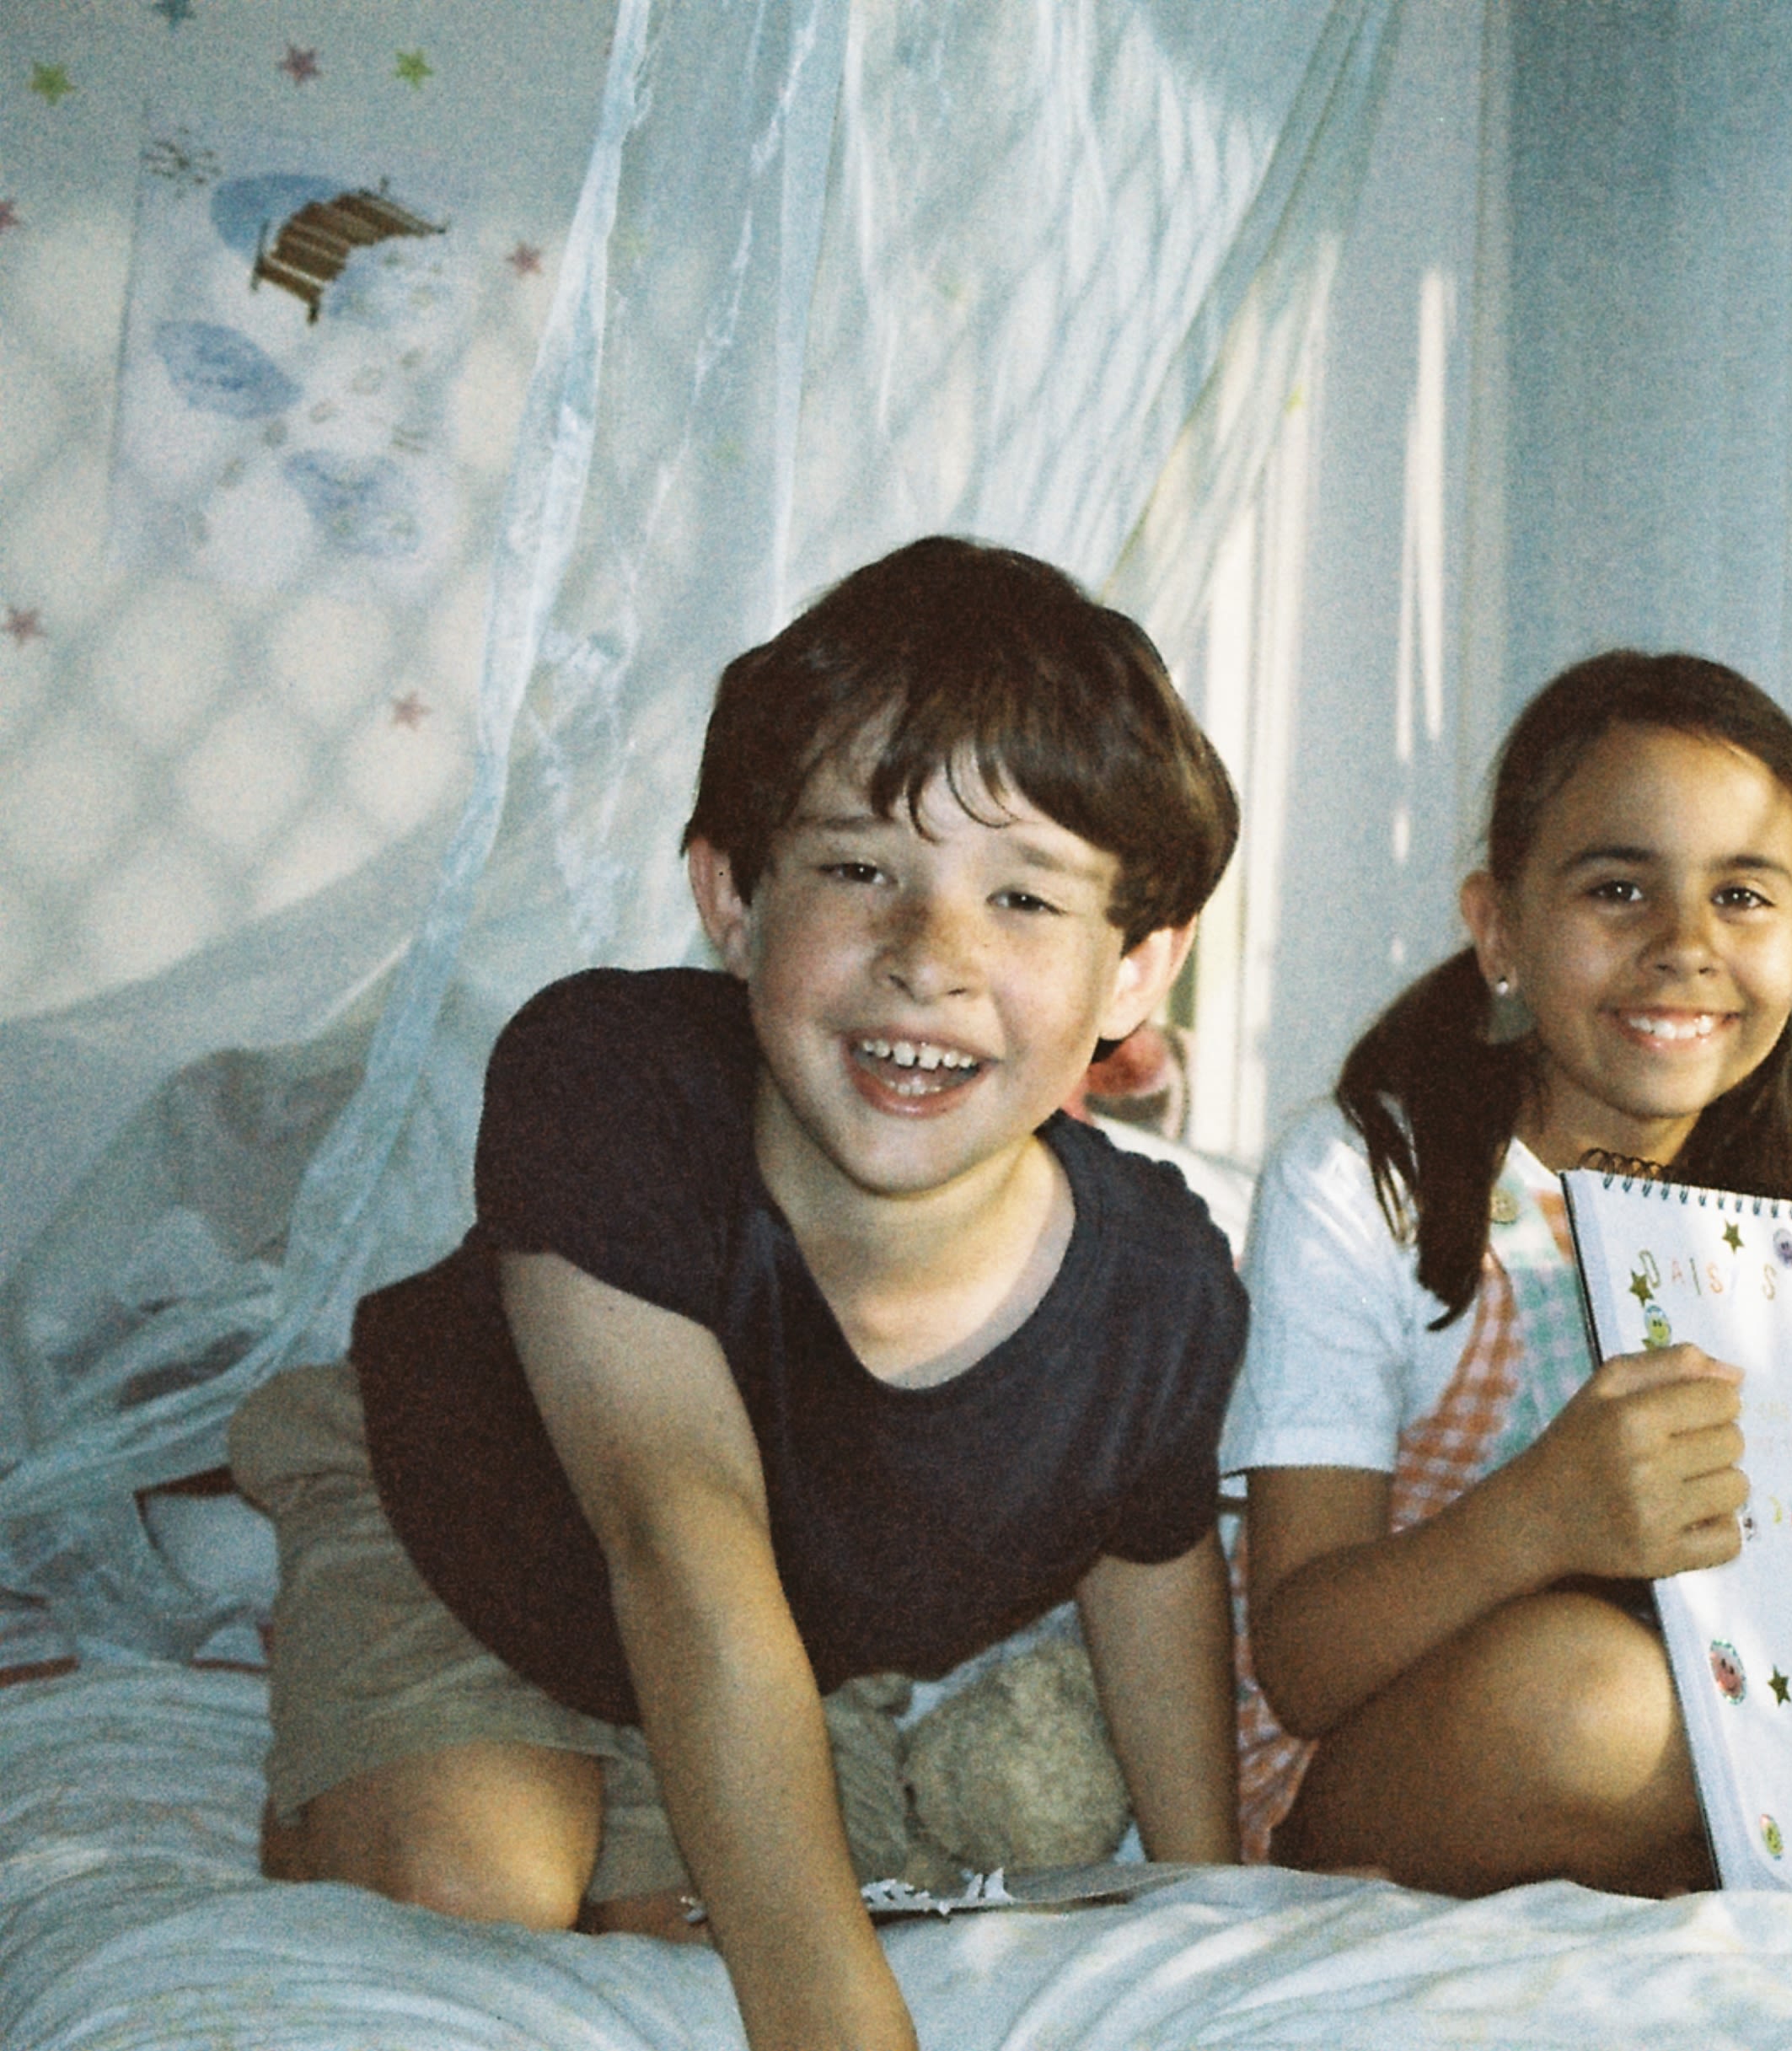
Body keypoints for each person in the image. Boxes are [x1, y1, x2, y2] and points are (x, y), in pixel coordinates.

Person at [228, 537, 1247, 2051]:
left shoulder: (1159, 1282)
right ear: (731, 896)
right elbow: (674, 1532)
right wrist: (834, 2020)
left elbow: (1151, 1564)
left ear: (1133, 973)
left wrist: (1210, 1896)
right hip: (471, 1527)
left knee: (687, 1953)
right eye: (857, 869)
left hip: (776, 1639)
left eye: (1025, 899)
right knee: (480, 1887)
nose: (930, 958)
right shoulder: (608, 1084)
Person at [1224, 651, 1792, 1897]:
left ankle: (1780, 1834)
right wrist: (1536, 1516)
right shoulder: (1369, 1176)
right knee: (1589, 1698)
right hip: (1391, 1766)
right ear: (1498, 925)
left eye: (1741, 897)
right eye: (1619, 888)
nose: (1684, 945)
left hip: (1734, 1714)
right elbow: (1296, 1660)